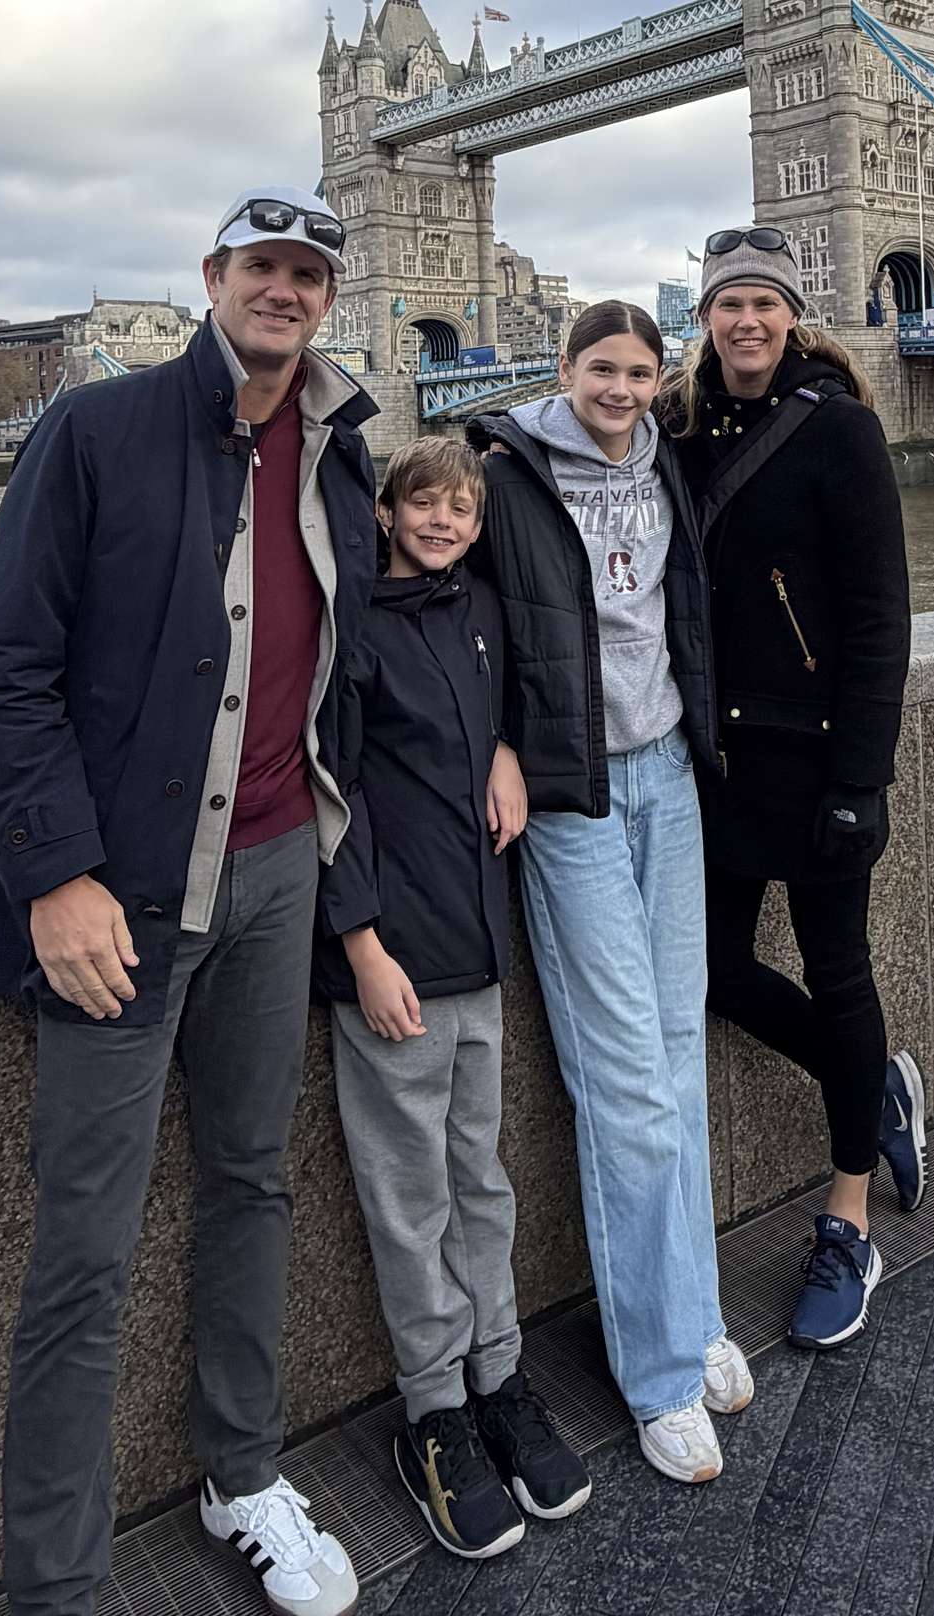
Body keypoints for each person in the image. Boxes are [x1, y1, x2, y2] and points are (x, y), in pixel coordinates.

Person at [0, 183, 375, 1616]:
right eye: (263, 266)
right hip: (124, 897)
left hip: (279, 870)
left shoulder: (345, 451)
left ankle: (242, 1472)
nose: (285, 290)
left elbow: (363, 662)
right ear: (213, 276)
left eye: (309, 273)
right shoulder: (97, 430)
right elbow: (7, 671)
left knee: (253, 1183)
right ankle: (58, 1586)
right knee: (85, 1249)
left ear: (329, 298)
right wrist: (54, 876)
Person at [464, 302, 749, 1486]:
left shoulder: (668, 460)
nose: (621, 391)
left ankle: (695, 1310)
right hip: (568, 795)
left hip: (668, 775)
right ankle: (660, 1373)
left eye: (640, 372)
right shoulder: (505, 474)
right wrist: (496, 745)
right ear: (564, 368)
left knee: (677, 1058)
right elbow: (461, 618)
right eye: (601, 370)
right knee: (625, 1084)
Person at [317, 437, 591, 1561]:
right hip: (394, 959)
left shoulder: (477, 607)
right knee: (410, 1198)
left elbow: (504, 707)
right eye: (424, 503)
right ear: (385, 511)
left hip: (480, 946)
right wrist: (361, 946)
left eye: (463, 509)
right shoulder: (349, 626)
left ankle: (501, 1380)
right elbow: (328, 790)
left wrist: (509, 749)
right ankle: (434, 1412)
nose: (443, 521)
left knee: (482, 1179)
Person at [661, 228, 923, 1353]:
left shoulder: (840, 428)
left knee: (837, 971)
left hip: (817, 762)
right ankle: (875, 1087)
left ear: (792, 314)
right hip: (714, 760)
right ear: (705, 319)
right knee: (717, 972)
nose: (748, 321)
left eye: (766, 302)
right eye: (729, 304)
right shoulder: (677, 425)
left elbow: (879, 615)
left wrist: (863, 777)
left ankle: (848, 1220)